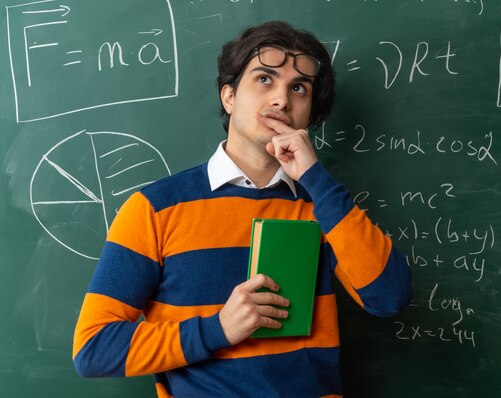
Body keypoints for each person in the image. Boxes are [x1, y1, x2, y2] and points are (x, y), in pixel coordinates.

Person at [73, 21, 413, 397]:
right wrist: (218, 329)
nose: (281, 100)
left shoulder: (324, 205)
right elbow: (94, 349)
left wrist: (315, 178)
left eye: (298, 88)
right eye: (264, 80)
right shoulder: (154, 209)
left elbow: (389, 298)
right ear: (229, 96)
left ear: (311, 114)